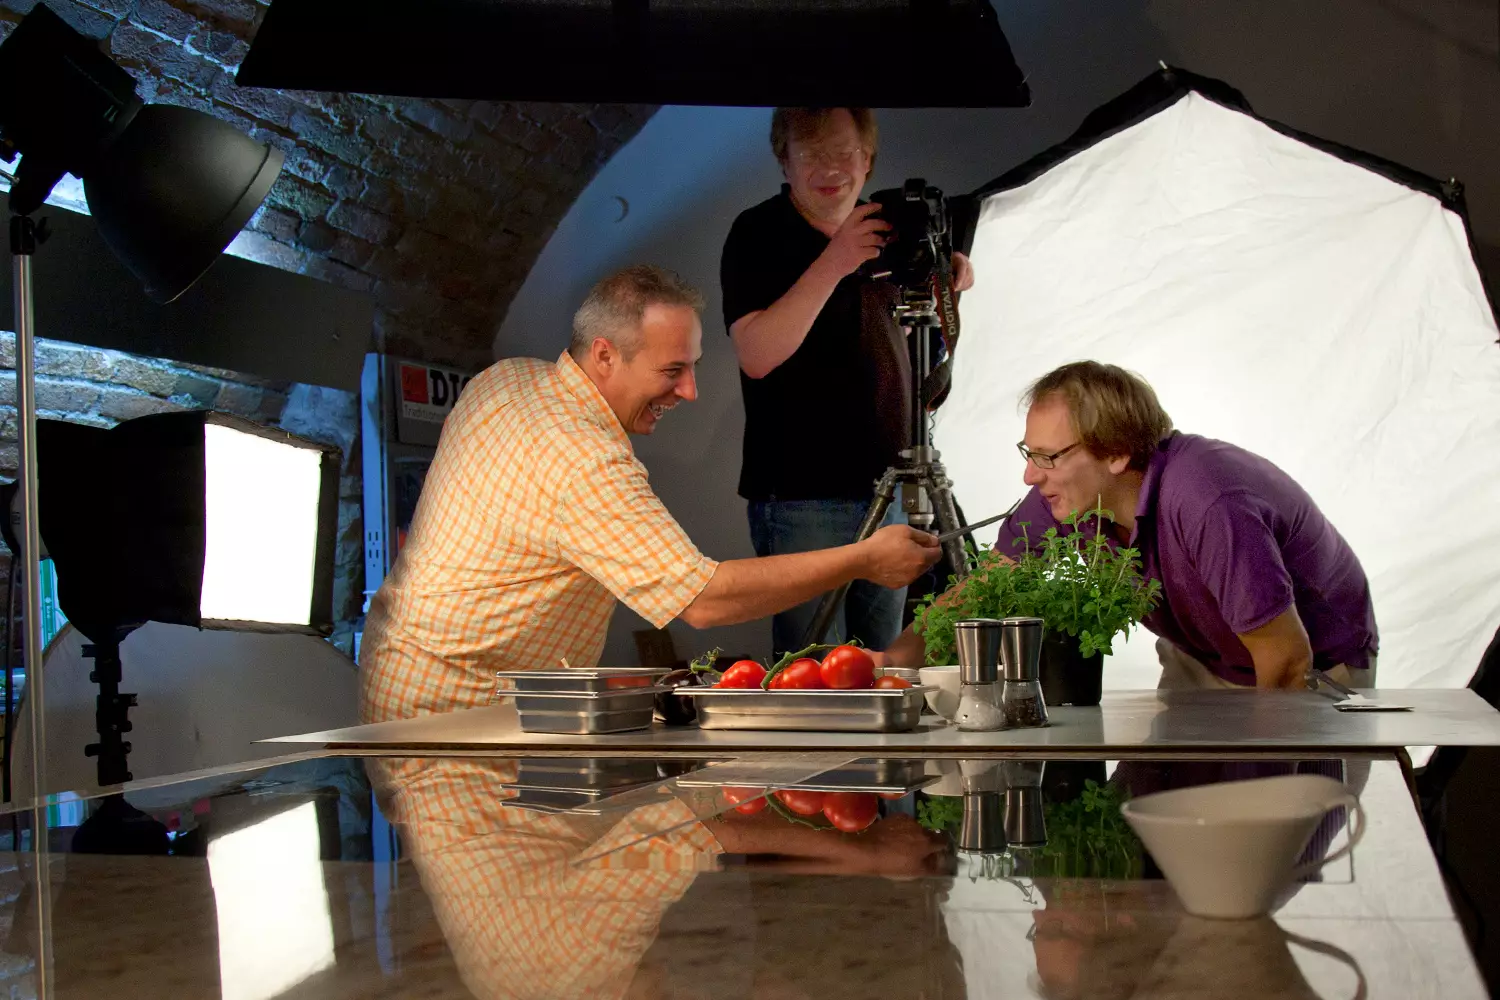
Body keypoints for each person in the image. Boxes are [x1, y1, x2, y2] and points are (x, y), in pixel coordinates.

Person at [359, 265, 941, 724]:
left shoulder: (509, 377)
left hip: (401, 671)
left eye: (693, 367)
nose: (688, 391)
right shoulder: (583, 458)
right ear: (605, 355)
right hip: (454, 708)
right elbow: (704, 601)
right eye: (672, 371)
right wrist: (864, 558)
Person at [876, 361, 1378, 690]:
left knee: (1263, 836)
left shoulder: (1210, 501)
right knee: (1161, 830)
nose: (1030, 476)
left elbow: (1287, 659)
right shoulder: (1071, 495)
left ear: (1117, 452)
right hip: (1203, 660)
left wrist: (1259, 791)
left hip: (1312, 672)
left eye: (1047, 457)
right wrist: (893, 661)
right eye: (1030, 454)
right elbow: (986, 585)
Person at [720, 106, 975, 656]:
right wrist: (835, 261)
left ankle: (882, 749)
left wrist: (943, 292)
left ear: (869, 160)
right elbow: (758, 355)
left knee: (882, 662)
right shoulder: (758, 233)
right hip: (799, 494)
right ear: (784, 162)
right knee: (811, 666)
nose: (830, 169)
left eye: (844, 153)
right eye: (812, 155)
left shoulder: (891, 234)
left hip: (892, 484)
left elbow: (924, 375)